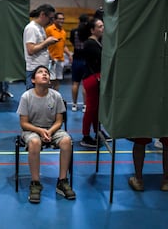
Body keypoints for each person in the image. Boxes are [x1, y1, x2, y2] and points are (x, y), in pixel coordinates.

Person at [17, 65, 76, 203]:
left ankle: (62, 181)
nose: (44, 74)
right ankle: (35, 183)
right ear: (33, 80)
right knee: (35, 142)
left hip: (52, 130)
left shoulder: (56, 96)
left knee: (67, 140)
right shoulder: (26, 96)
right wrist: (40, 131)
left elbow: (59, 121)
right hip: (32, 130)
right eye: (40, 72)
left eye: (47, 73)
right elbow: (23, 123)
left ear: (50, 80)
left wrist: (49, 131)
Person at [80, 18, 104, 148]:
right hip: (92, 79)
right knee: (90, 109)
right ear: (92, 30)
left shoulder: (97, 42)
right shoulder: (90, 43)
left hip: (96, 78)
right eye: (99, 26)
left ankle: (98, 132)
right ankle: (85, 136)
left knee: (96, 109)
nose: (102, 28)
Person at [23, 4, 58, 89]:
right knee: (34, 99)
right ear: (42, 15)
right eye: (50, 18)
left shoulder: (41, 28)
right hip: (34, 70)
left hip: (41, 68)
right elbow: (30, 50)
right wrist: (47, 42)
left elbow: (40, 46)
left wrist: (50, 57)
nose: (51, 22)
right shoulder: (32, 28)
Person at [45, 12, 72, 91]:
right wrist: (50, 56)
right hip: (51, 59)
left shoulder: (63, 32)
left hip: (60, 59)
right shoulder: (49, 29)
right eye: (59, 19)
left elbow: (63, 45)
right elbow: (44, 43)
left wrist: (69, 55)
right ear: (55, 20)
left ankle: (55, 99)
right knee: (50, 80)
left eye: (63, 19)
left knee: (57, 80)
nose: (61, 21)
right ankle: (47, 99)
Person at [69, 14, 89, 112]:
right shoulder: (89, 32)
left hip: (76, 59)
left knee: (75, 83)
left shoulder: (73, 31)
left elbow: (72, 42)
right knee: (85, 84)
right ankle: (85, 105)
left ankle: (74, 104)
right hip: (86, 60)